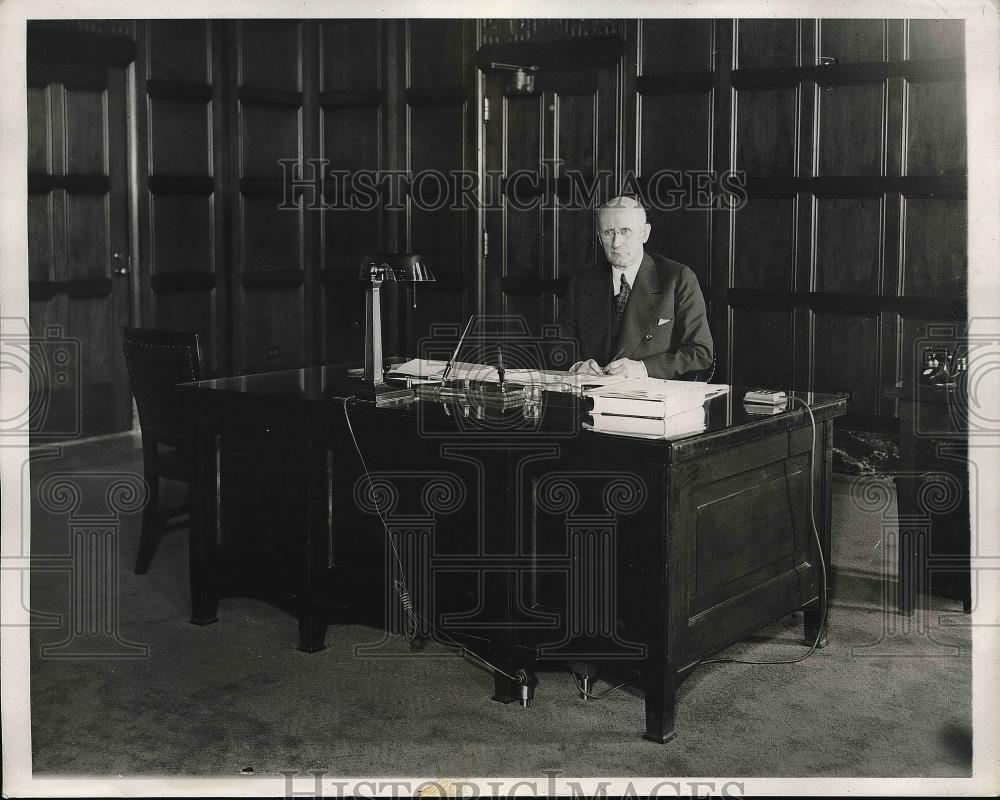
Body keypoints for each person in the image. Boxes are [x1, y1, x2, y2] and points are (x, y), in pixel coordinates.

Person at [557, 196, 714, 379]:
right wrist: (577, 365)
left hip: (654, 398)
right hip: (592, 397)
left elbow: (701, 352)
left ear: (645, 233)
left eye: (625, 231)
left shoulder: (677, 278)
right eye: (609, 232)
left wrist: (643, 369)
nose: (616, 243)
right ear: (599, 238)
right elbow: (558, 342)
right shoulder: (583, 281)